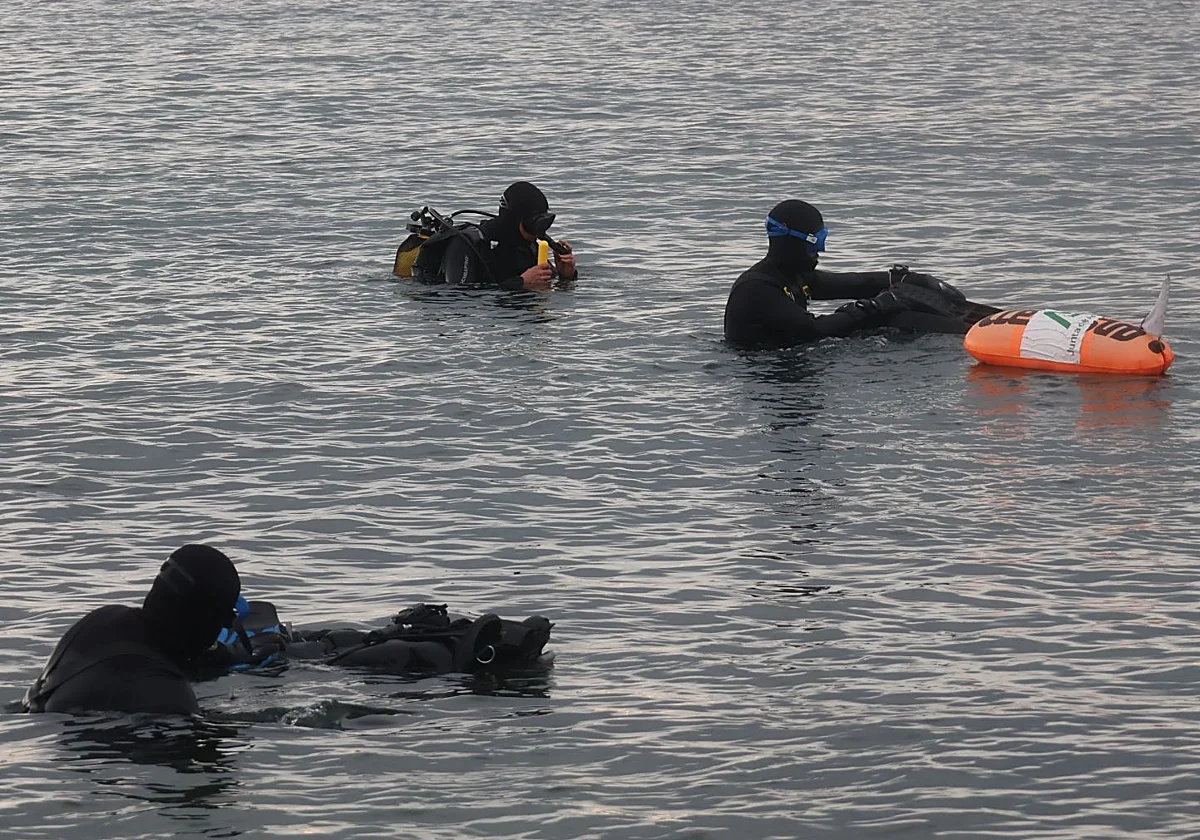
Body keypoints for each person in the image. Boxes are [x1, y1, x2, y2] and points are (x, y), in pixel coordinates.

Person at [24, 544, 243, 716]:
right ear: (203, 620)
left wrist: (221, 658)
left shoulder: (102, 619)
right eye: (224, 620)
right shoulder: (170, 697)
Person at [723, 200, 973, 349]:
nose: (821, 251)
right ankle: (965, 340)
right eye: (816, 243)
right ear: (794, 243)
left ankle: (966, 330)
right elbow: (814, 330)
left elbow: (854, 284)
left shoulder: (794, 275)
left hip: (795, 358)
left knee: (891, 316)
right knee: (881, 317)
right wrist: (876, 305)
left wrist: (904, 279)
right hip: (769, 372)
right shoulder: (757, 290)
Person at [204, 600, 554, 676]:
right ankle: (280, 646)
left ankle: (277, 649)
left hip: (424, 653)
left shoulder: (445, 649)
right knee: (336, 642)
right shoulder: (455, 640)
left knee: (333, 647)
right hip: (434, 649)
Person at [407, 181, 578, 291]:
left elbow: (542, 285)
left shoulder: (528, 244)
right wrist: (520, 284)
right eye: (533, 225)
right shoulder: (467, 244)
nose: (537, 233)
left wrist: (565, 276)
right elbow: (458, 295)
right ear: (514, 220)